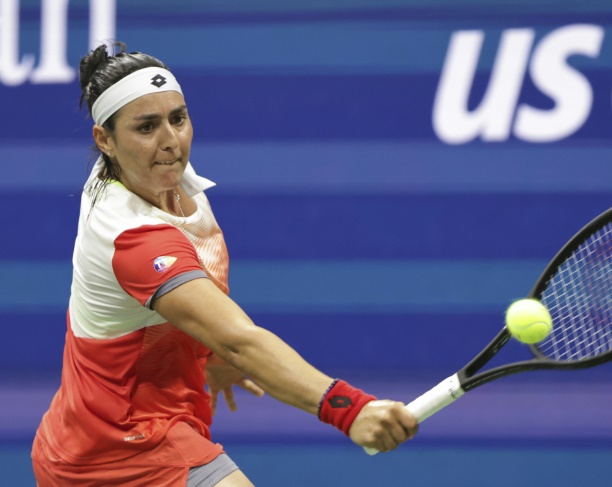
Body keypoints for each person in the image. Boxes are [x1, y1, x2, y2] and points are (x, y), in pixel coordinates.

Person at [31, 43, 418, 487]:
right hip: (119, 446)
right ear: (105, 140)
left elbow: (208, 326)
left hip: (88, 431)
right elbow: (238, 339)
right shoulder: (134, 237)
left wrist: (208, 355)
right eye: (147, 126)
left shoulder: (151, 173)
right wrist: (349, 410)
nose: (171, 140)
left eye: (178, 118)